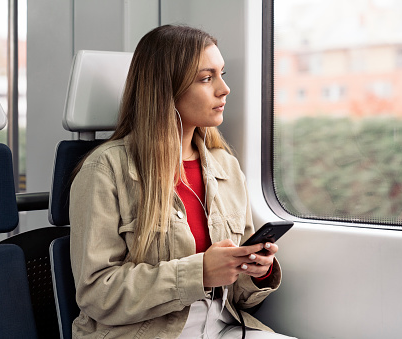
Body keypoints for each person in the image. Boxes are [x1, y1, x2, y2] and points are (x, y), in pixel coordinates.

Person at [69, 24, 296, 339]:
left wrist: (256, 270)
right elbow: (96, 294)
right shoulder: (104, 170)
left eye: (222, 74)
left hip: (221, 327)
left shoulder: (226, 167)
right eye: (206, 78)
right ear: (166, 89)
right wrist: (199, 273)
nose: (223, 89)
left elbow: (240, 296)